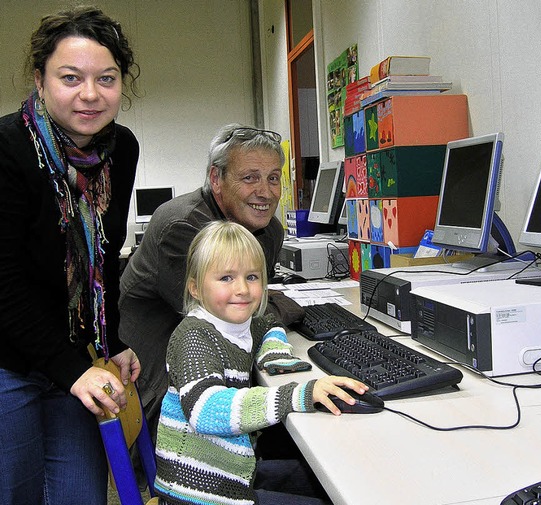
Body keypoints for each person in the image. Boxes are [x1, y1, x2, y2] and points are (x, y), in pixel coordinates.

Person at [0, 6, 141, 505]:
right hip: (7, 360)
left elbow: (104, 256)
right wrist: (72, 367)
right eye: (70, 77)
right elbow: (4, 284)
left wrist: (113, 339)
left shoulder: (120, 149)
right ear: (39, 80)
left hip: (71, 359)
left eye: (106, 78)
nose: (90, 94)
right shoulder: (6, 148)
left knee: (80, 495)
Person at [154, 220, 368, 505]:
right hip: (197, 492)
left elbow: (269, 323)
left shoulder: (237, 324)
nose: (242, 289)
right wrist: (297, 394)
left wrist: (273, 353)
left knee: (338, 478)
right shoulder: (194, 337)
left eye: (252, 277)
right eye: (226, 278)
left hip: (230, 471)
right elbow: (206, 411)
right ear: (195, 288)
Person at [119, 123, 300, 441]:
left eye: (273, 178)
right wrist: (283, 306)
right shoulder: (184, 227)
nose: (266, 192)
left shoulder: (267, 230)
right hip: (165, 387)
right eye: (250, 177)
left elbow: (254, 307)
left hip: (219, 362)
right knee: (295, 423)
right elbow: (242, 313)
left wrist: (269, 307)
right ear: (216, 179)